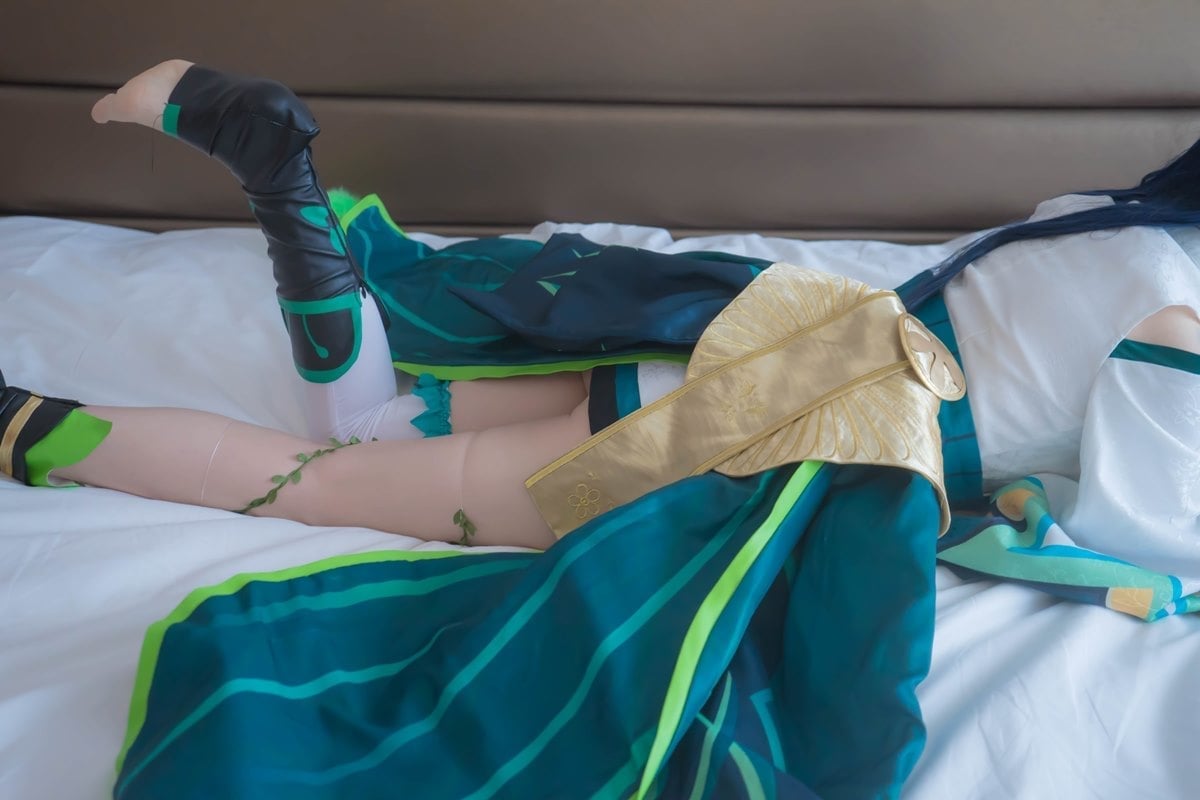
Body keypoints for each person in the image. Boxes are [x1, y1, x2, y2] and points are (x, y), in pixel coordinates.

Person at [2, 59, 1199, 576]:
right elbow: (1145, 524)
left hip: (744, 334)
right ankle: (28, 423)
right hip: (753, 441)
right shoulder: (1180, 321)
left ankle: (280, 177)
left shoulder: (1104, 219)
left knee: (375, 421)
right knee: (321, 479)